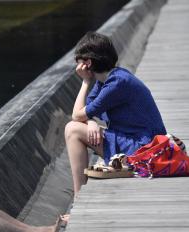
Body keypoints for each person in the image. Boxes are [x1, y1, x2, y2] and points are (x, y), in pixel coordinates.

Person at [65, 32, 166, 197]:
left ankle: (78, 197)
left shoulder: (116, 84)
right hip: (140, 141)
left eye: (79, 63)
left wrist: (84, 82)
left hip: (146, 149)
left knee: (72, 130)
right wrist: (91, 121)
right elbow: (87, 109)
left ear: (88, 63)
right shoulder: (110, 78)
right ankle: (81, 192)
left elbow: (76, 115)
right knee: (80, 126)